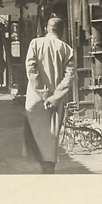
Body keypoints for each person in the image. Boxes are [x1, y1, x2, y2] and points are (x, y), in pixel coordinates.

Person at [23, 16, 74, 174]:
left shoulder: (35, 43)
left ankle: (39, 169)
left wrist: (43, 93)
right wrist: (54, 97)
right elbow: (69, 77)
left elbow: (31, 70)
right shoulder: (67, 49)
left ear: (47, 29)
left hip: (35, 99)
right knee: (51, 135)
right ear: (62, 31)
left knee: (34, 134)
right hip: (54, 102)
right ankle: (48, 169)